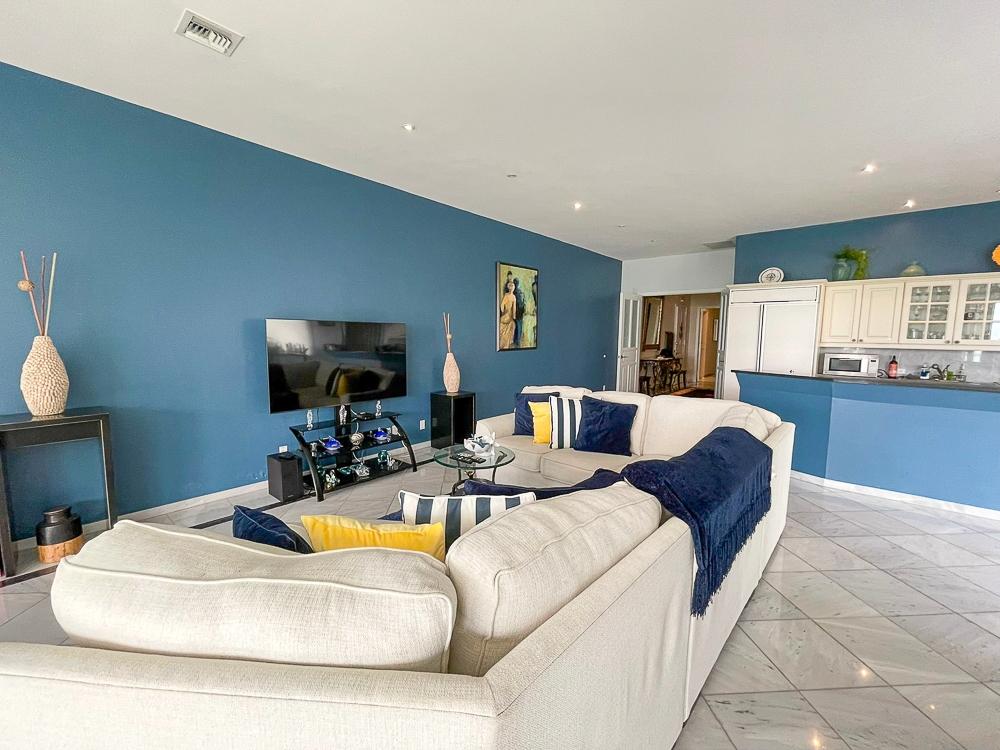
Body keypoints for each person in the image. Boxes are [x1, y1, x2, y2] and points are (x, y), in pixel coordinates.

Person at [498, 281, 516, 349]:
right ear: (508, 287)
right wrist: (504, 312)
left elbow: (514, 308)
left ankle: (507, 344)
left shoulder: (514, 297)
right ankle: (503, 344)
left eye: (512, 286)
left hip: (510, 315)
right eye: (510, 286)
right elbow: (502, 305)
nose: (511, 288)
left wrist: (513, 316)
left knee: (512, 325)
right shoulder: (506, 295)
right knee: (504, 328)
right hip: (506, 314)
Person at [512, 277, 526, 347]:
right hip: (518, 312)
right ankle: (517, 341)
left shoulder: (514, 292)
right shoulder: (518, 292)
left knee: (516, 327)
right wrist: (523, 308)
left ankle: (516, 341)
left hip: (516, 312)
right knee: (518, 327)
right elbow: (521, 303)